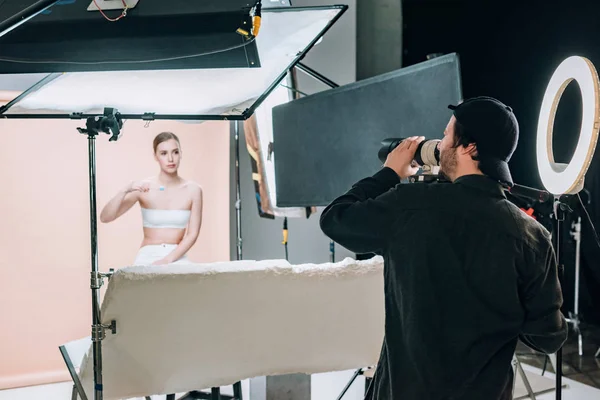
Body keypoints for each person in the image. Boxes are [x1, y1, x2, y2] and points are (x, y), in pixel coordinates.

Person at [319, 97, 568, 400]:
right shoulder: (533, 236)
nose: (441, 145)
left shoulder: (409, 206)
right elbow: (548, 338)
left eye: (447, 134)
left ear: (469, 147)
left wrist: (389, 173)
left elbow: (335, 219)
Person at [100, 131, 203, 266]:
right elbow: (106, 217)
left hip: (177, 256)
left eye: (175, 152)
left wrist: (168, 259)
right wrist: (125, 189)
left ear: (181, 153)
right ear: (155, 156)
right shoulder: (145, 187)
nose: (170, 159)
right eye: (164, 153)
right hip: (147, 256)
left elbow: (192, 235)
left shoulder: (193, 190)